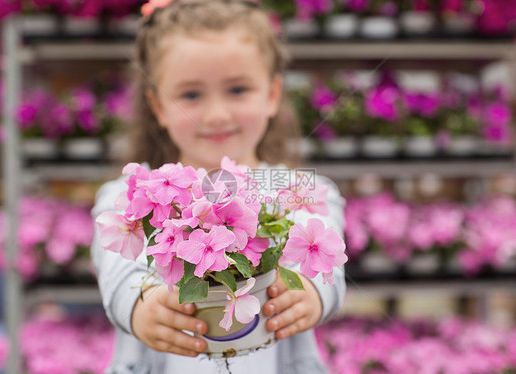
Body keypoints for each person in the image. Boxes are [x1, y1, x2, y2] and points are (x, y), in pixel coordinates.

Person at [91, 1, 346, 373]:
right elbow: (116, 270)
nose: (215, 114)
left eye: (238, 89)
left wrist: (312, 296)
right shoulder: (132, 193)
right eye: (191, 95)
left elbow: (330, 265)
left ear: (272, 94)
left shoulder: (296, 187)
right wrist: (140, 309)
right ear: (157, 106)